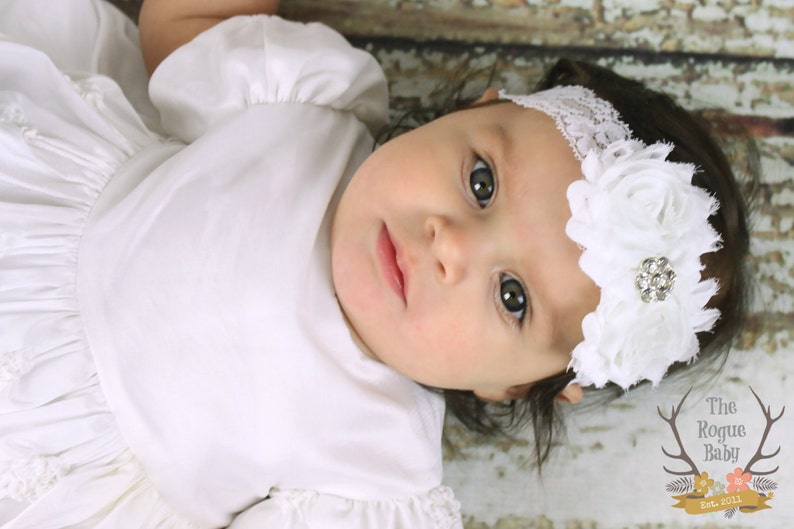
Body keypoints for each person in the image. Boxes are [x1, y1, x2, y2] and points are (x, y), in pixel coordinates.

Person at [0, 0, 753, 528]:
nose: (450, 243)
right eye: (480, 182)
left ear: (512, 384)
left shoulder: (374, 477)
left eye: (513, 296)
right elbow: (184, 32)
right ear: (475, 107)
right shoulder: (309, 105)